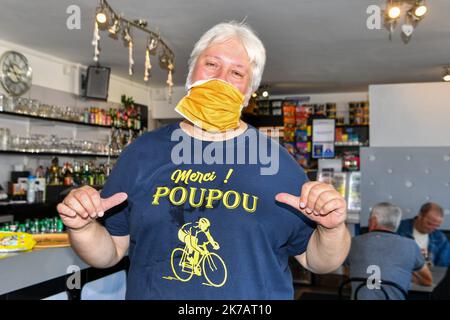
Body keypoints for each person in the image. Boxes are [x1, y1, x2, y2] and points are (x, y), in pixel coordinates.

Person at [57, 21, 350, 299]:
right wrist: (82, 227)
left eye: (237, 73)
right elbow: (109, 253)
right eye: (211, 64)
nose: (221, 79)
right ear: (190, 76)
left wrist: (332, 228)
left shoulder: (278, 163)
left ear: (247, 94)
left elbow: (316, 260)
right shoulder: (141, 153)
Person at [345, 202, 432, 300]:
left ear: (373, 221)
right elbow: (427, 280)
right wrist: (403, 275)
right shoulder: (411, 245)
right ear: (397, 224)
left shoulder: (353, 242)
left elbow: (348, 273)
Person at [397, 202, 450, 267]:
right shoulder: (398, 229)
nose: (432, 228)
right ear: (420, 215)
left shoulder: (441, 238)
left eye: (436, 226)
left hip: (427, 274)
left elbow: (442, 267)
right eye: (429, 223)